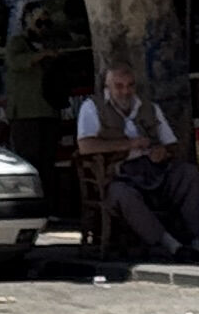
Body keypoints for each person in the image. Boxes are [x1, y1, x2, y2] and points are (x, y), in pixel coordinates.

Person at [74, 63, 192, 261]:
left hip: (154, 170)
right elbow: (86, 146)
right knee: (124, 194)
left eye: (130, 86)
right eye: (119, 86)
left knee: (188, 174)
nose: (125, 91)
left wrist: (163, 151)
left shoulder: (149, 108)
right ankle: (168, 244)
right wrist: (128, 145)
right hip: (117, 174)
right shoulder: (92, 107)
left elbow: (172, 144)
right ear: (107, 88)